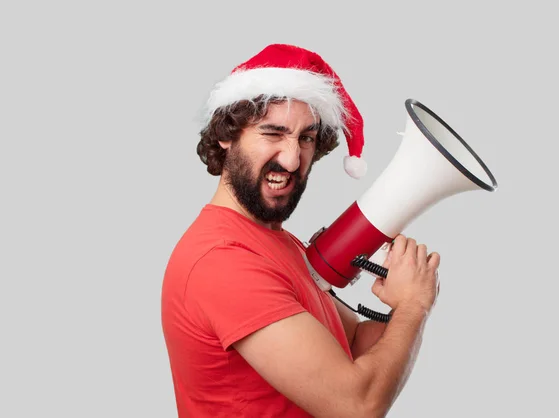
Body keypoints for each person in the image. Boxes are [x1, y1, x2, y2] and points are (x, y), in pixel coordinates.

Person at [161, 44, 441, 418]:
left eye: (306, 138)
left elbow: (353, 343)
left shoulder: (279, 242)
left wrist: (408, 292)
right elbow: (356, 406)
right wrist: (413, 307)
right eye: (273, 133)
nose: (293, 159)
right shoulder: (222, 261)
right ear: (226, 135)